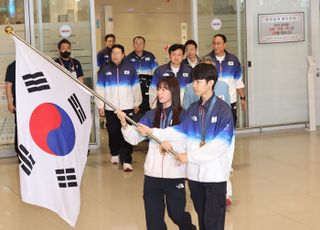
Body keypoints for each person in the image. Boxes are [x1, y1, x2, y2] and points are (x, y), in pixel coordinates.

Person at [139, 63, 235, 230]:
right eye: (193, 82)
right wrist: (151, 131)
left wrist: (189, 157)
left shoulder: (223, 110)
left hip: (214, 176)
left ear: (210, 83)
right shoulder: (193, 109)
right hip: (196, 178)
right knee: (203, 220)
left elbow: (220, 145)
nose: (193, 85)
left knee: (213, 222)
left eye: (198, 82)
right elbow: (179, 131)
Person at [116, 76, 196, 230]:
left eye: (164, 89)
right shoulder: (151, 115)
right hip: (152, 175)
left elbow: (184, 138)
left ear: (173, 91)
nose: (160, 92)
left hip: (175, 174)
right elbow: (134, 138)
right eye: (159, 88)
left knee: (176, 214)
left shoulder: (184, 115)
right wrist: (124, 123)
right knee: (153, 220)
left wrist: (167, 142)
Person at [96, 44, 142, 172]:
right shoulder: (104, 70)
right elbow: (100, 89)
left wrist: (137, 103)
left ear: (123, 54)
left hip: (127, 107)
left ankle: (127, 160)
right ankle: (115, 153)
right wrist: (101, 105)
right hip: (111, 108)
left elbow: (136, 87)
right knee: (113, 132)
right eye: (113, 53)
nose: (115, 55)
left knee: (127, 133)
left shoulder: (130, 69)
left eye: (118, 53)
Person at [206, 34, 245, 126]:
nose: (216, 46)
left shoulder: (233, 60)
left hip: (230, 99)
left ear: (224, 45)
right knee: (213, 126)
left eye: (219, 43)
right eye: (214, 43)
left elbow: (238, 81)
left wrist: (242, 98)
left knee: (231, 125)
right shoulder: (208, 60)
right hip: (212, 100)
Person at [149, 44, 192, 109]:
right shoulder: (160, 71)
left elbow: (193, 91)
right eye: (173, 54)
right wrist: (154, 108)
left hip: (184, 109)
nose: (176, 57)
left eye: (179, 55)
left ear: (183, 56)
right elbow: (153, 90)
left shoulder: (189, 71)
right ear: (169, 55)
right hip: (164, 109)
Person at [125, 36, 158, 112]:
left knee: (148, 108)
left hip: (148, 86)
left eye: (141, 43)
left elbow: (156, 71)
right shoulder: (128, 58)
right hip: (134, 86)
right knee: (136, 109)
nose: (138, 45)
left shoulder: (150, 56)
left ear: (144, 45)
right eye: (136, 43)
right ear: (133, 44)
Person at [5, 60, 20, 155]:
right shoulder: (12, 66)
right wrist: (10, 103)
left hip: (33, 101)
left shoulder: (33, 63)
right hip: (19, 102)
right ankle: (19, 151)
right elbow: (8, 86)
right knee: (20, 126)